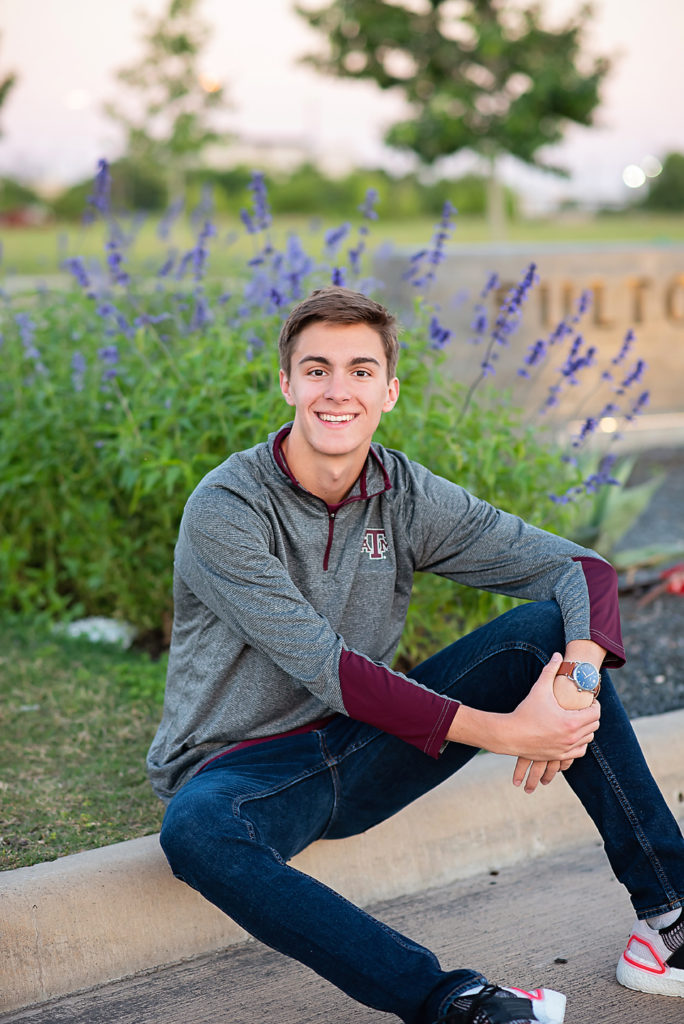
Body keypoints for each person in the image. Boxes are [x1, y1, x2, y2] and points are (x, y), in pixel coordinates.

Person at [148, 287, 684, 1023]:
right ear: (287, 384)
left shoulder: (402, 495)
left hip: (369, 750)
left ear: (390, 390)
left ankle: (671, 920)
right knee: (196, 833)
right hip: (246, 770)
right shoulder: (228, 507)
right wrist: (508, 734)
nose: (338, 391)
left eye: (361, 371)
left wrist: (578, 680)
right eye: (317, 370)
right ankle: (454, 1002)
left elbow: (580, 570)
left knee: (547, 636)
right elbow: (330, 669)